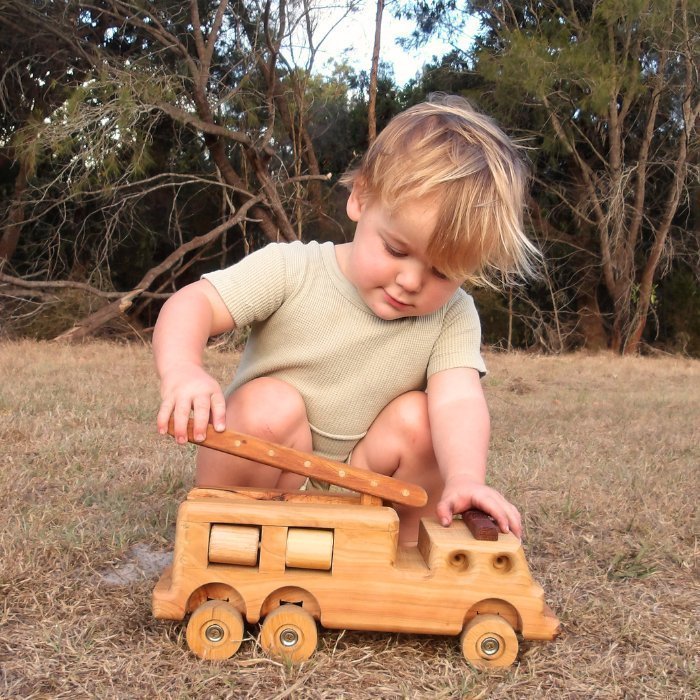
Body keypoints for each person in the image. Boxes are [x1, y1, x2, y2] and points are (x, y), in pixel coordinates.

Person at [153, 94, 537, 545]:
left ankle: (401, 553)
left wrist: (467, 477)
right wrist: (183, 372)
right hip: (270, 478)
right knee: (267, 405)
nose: (411, 281)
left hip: (366, 490)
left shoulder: (452, 315)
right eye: (396, 250)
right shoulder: (291, 269)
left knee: (424, 419)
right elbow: (193, 303)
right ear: (360, 197)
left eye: (442, 272)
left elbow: (458, 402)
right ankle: (231, 535)